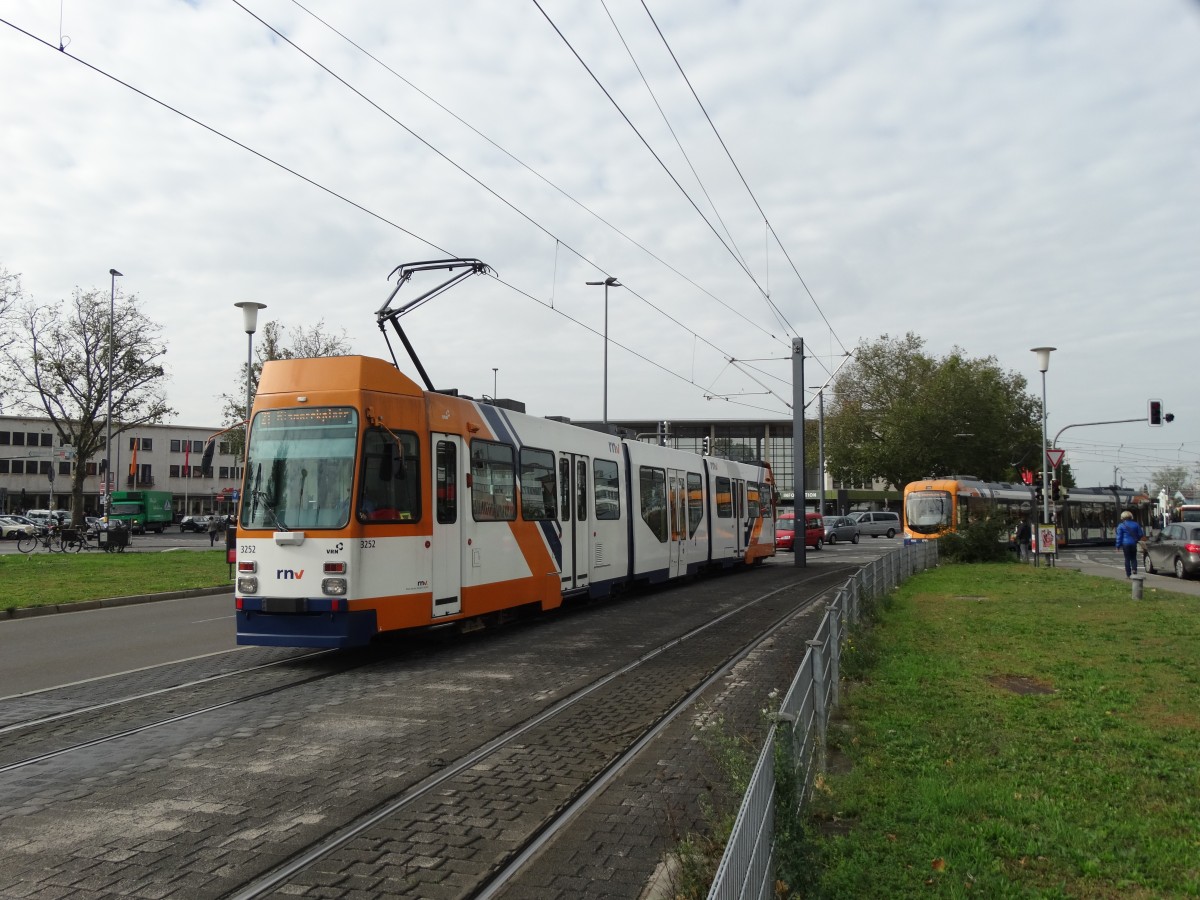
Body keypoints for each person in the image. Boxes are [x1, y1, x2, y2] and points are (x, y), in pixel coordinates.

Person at [1114, 510, 1145, 578]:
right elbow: (1141, 534)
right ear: (1131, 517)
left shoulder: (1121, 526)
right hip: (1134, 543)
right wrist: (1136, 539)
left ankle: (1128, 574)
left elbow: (1119, 536)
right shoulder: (1136, 524)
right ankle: (1134, 570)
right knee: (1134, 558)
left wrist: (1117, 546)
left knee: (1127, 559)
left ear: (1122, 517)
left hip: (1125, 544)